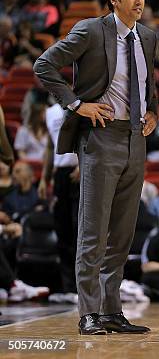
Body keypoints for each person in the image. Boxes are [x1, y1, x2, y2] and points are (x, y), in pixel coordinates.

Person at [34, 0, 157, 335]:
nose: (139, 1)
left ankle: (112, 311)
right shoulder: (90, 30)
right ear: (114, 0)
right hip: (100, 137)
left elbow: (149, 83)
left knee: (122, 234)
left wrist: (151, 110)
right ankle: (88, 312)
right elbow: (44, 65)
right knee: (93, 232)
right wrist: (76, 104)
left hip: (136, 138)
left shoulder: (148, 38)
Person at [39, 101, 80, 299]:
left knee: (79, 228)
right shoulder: (50, 112)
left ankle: (84, 285)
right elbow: (49, 146)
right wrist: (43, 178)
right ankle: (68, 287)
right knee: (62, 229)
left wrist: (83, 163)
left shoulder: (81, 105)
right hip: (61, 174)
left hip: (80, 171)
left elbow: (88, 136)